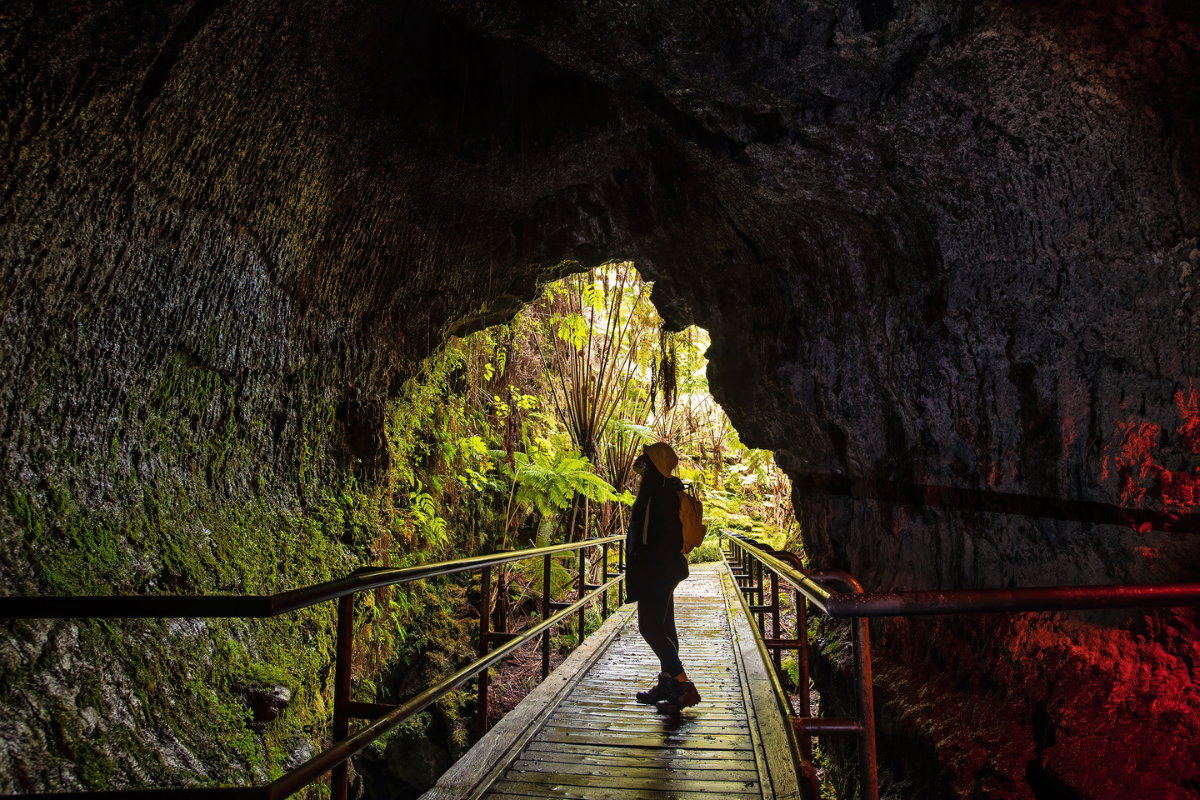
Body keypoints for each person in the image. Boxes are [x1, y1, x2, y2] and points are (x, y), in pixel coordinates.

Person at [624, 442, 702, 714]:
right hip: (664, 570)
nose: (642, 467)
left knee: (650, 628)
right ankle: (668, 684)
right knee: (665, 628)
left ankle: (683, 685)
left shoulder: (660, 495)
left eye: (646, 463)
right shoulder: (662, 490)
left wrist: (643, 570)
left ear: (655, 466)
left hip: (656, 572)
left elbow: (657, 540)